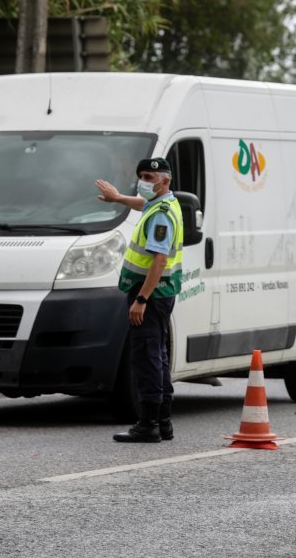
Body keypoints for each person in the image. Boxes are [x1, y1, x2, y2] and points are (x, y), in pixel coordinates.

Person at [95, 157, 184, 442]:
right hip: (160, 293)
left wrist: (142, 299)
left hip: (151, 294)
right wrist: (118, 198)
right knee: (157, 354)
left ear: (165, 180)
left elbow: (158, 260)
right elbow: (141, 204)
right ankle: (163, 421)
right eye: (141, 176)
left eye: (149, 176)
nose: (144, 181)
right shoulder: (164, 204)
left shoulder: (161, 215)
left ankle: (148, 424)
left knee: (147, 357)